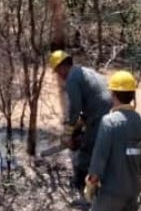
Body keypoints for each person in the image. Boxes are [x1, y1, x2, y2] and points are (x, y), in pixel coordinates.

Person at [85, 70, 141, 211]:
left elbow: (99, 158)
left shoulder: (109, 122)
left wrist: (91, 183)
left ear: (113, 94)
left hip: (111, 191)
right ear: (132, 95)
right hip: (133, 190)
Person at [48, 50, 112, 197]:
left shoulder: (72, 79)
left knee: (86, 147)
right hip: (109, 110)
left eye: (57, 71)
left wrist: (70, 129)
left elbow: (75, 108)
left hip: (99, 115)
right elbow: (90, 100)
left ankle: (80, 182)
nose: (58, 75)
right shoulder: (85, 71)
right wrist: (80, 124)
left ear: (62, 66)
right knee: (101, 143)